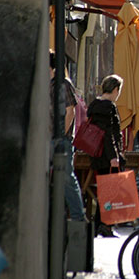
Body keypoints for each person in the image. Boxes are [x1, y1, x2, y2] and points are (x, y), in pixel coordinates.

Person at [86, 74, 125, 237]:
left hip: (96, 153)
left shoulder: (94, 105)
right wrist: (114, 157)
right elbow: (108, 134)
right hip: (107, 156)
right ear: (115, 89)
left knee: (104, 190)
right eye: (119, 90)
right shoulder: (109, 107)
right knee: (110, 191)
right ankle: (104, 225)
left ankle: (100, 224)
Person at [49, 51, 85, 222]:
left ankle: (78, 218)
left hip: (60, 139)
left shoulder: (62, 84)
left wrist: (61, 134)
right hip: (47, 137)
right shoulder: (45, 84)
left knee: (66, 178)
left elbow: (71, 110)